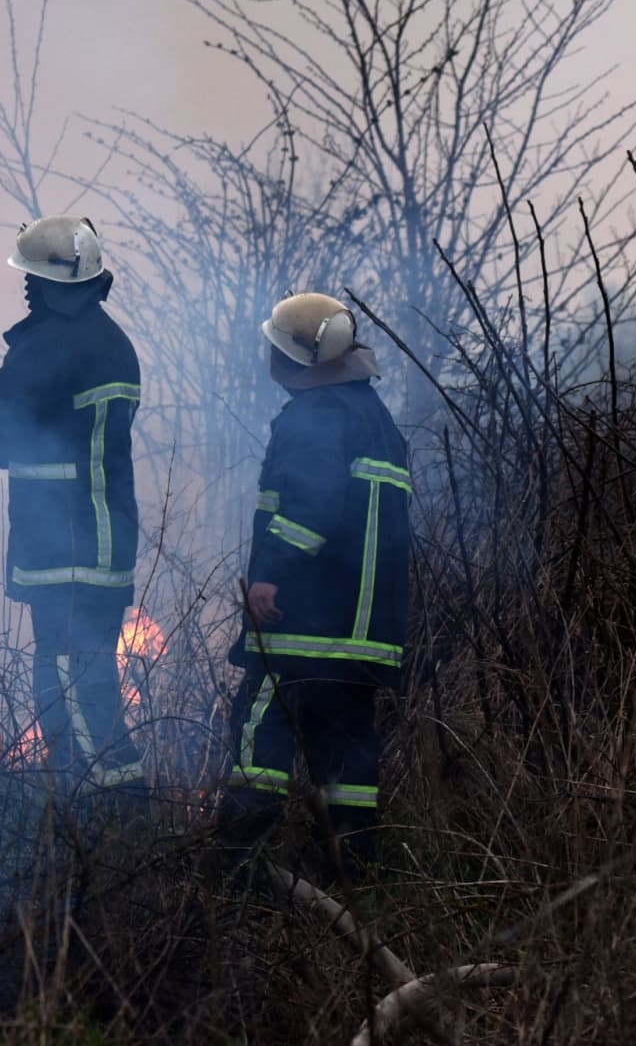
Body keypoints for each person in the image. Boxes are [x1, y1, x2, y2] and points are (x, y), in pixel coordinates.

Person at [0, 215, 145, 789]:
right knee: (87, 674)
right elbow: (47, 418)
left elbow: (7, 423)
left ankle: (108, 812)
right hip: (106, 537)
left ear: (48, 284)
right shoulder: (110, 343)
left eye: (30, 277)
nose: (26, 288)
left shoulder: (51, 344)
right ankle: (103, 803)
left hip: (65, 542)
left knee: (69, 680)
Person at [214, 292, 411, 877]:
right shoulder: (375, 418)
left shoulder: (313, 417)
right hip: (365, 638)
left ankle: (237, 871)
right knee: (347, 752)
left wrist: (270, 573)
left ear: (297, 361)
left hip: (304, 626)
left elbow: (311, 508)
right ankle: (352, 875)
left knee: (260, 732)